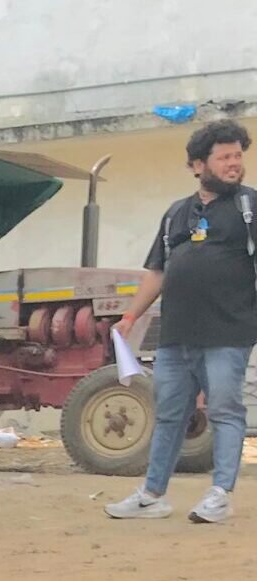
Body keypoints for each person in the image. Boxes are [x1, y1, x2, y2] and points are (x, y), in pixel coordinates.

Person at [106, 120, 257, 525]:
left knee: (224, 410)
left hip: (229, 332)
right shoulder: (176, 213)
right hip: (176, 336)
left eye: (238, 156)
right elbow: (158, 271)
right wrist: (130, 316)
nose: (234, 164)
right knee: (170, 412)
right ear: (197, 165)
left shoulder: (249, 207)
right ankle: (152, 495)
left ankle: (220, 494)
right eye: (224, 157)